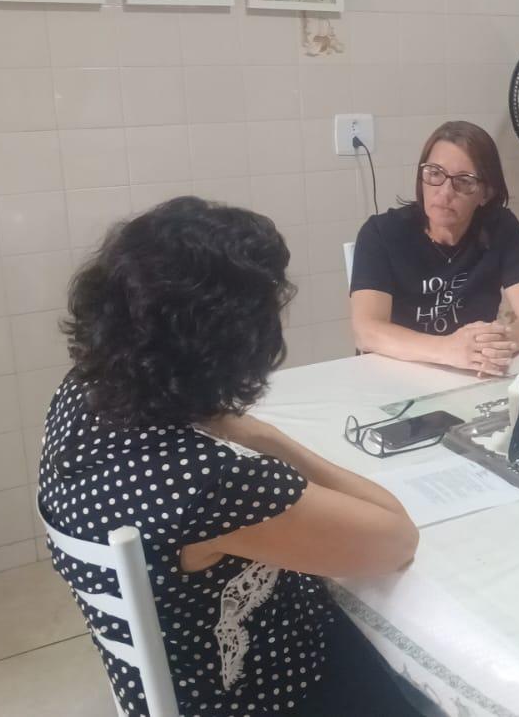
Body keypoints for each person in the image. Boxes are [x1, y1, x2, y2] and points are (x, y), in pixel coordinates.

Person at [40, 197, 432, 717]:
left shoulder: (80, 393)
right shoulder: (211, 483)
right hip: (261, 695)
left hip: (166, 675)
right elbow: (397, 541)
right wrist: (269, 439)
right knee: (421, 679)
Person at [350, 120, 519, 376]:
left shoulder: (500, 227)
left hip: (473, 372)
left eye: (464, 181)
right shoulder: (382, 233)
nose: (445, 193)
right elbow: (366, 331)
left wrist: (501, 342)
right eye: (435, 173)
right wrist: (447, 349)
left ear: (486, 193)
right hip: (399, 372)